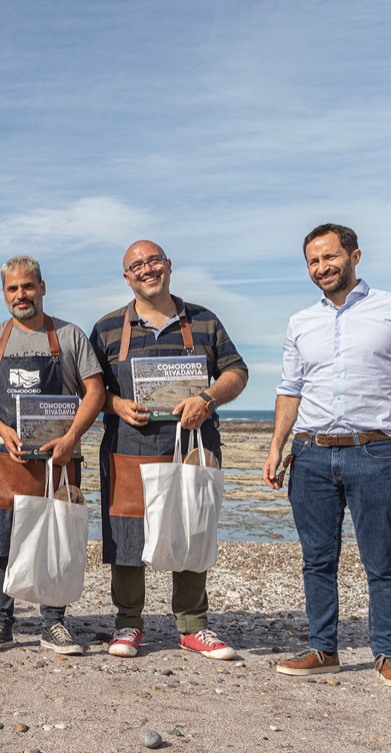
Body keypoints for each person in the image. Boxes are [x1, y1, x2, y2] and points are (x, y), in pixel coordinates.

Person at [262, 224, 391, 690]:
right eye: (313, 261)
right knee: (316, 559)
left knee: (380, 559)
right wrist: (277, 446)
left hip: (377, 452)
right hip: (311, 454)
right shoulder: (301, 322)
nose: (322, 267)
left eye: (329, 257)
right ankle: (323, 650)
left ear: (354, 256)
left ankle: (387, 655)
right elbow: (290, 389)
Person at [89, 241, 247, 660]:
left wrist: (208, 399)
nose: (147, 269)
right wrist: (115, 403)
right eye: (137, 265)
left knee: (192, 527)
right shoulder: (106, 328)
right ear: (127, 277)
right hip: (128, 448)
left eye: (153, 261)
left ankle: (193, 625)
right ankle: (127, 625)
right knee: (125, 534)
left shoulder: (205, 321)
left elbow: (237, 371)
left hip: (192, 447)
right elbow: (90, 390)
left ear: (169, 266)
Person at [0, 256, 104, 653]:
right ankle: (0, 622)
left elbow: (95, 392)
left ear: (43, 288)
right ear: (4, 293)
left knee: (55, 537)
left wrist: (72, 437)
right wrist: (1, 429)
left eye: (28, 286)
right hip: (1, 456)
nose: (21, 295)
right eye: (13, 288)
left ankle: (54, 623)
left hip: (57, 459)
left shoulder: (70, 336)